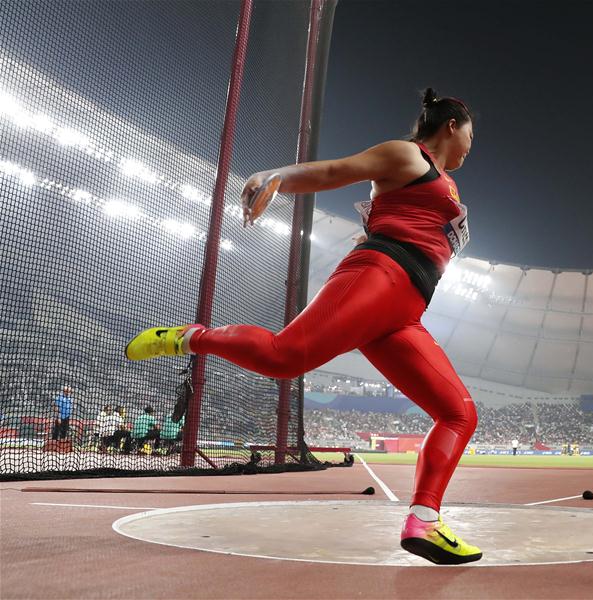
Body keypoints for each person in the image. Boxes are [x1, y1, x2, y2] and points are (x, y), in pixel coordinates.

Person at [124, 88, 480, 565]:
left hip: (405, 309)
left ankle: (425, 521)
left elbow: (407, 220)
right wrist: (276, 177)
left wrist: (376, 226)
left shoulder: (446, 184)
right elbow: (337, 170)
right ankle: (190, 337)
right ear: (452, 125)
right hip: (381, 276)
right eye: (472, 133)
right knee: (283, 357)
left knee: (459, 413)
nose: (473, 145)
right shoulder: (407, 154)